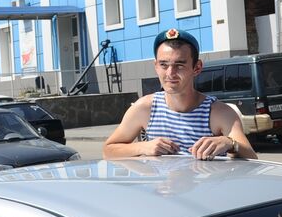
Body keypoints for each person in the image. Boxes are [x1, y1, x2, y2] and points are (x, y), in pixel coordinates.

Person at [103, 28, 257, 160]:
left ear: (197, 68)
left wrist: (230, 143)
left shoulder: (219, 112)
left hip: (205, 193)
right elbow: (108, 150)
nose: (170, 73)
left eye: (179, 65)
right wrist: (143, 147)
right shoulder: (145, 108)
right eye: (164, 64)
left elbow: (251, 157)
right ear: (156, 66)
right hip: (161, 194)